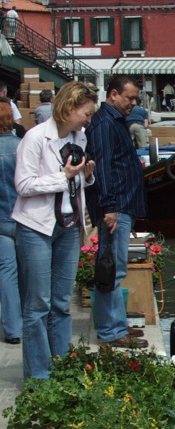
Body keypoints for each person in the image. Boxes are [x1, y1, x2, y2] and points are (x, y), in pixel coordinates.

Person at [13, 81, 98, 379]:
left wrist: (85, 177)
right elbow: (23, 185)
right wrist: (62, 177)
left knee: (61, 303)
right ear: (69, 107)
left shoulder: (81, 138)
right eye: (85, 113)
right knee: (37, 305)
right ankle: (38, 378)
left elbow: (73, 185)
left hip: (68, 226)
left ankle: (61, 370)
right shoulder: (35, 138)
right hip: (35, 228)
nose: (89, 119)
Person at [85, 74, 148, 349]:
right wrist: (109, 207)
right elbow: (102, 168)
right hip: (115, 207)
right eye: (129, 97)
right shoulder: (104, 124)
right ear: (113, 94)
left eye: (136, 99)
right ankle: (111, 332)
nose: (133, 103)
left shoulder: (113, 121)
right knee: (111, 269)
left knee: (114, 267)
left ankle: (117, 326)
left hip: (121, 205)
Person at [0, 100, 22, 344]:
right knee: (28, 273)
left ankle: (13, 329)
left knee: (6, 273)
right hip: (23, 218)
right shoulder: (21, 147)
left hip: (0, 221)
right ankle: (29, 321)